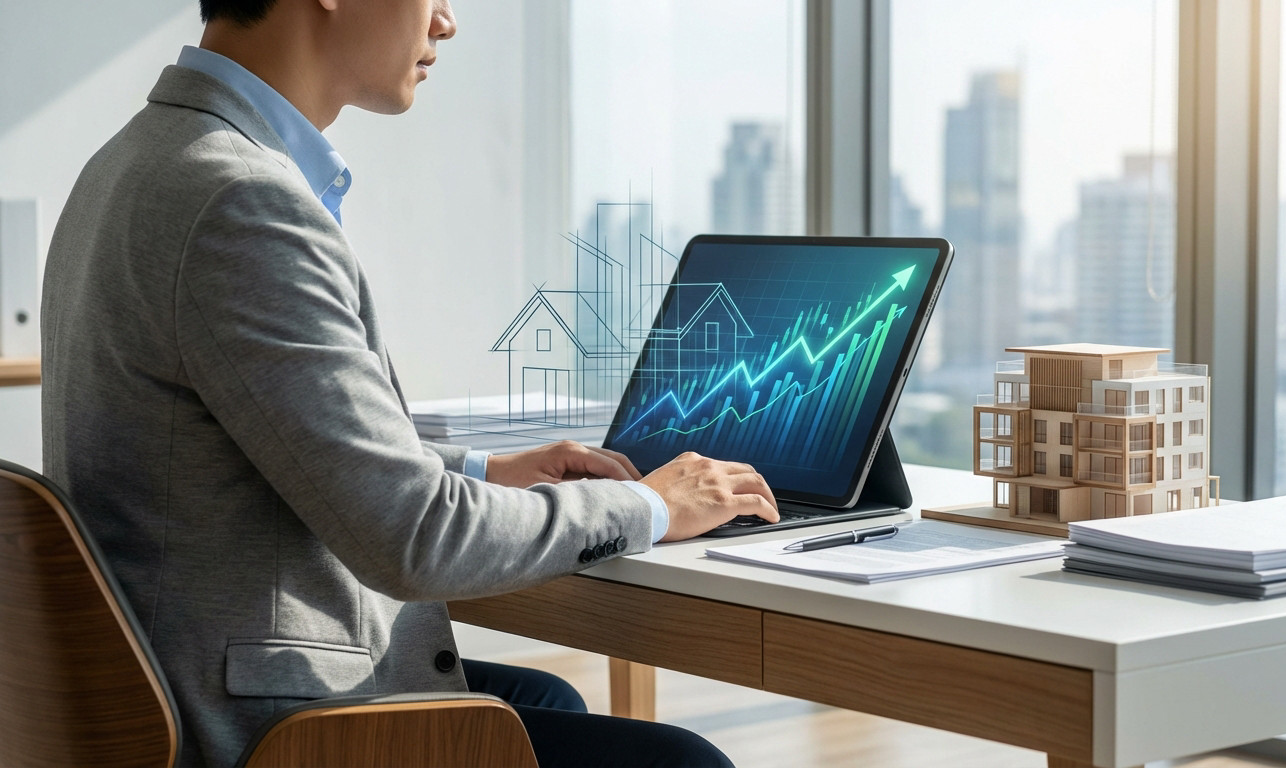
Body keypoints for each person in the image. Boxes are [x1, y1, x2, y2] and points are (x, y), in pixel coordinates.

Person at [39, 1, 779, 766]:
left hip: (158, 687)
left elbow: (268, 440)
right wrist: (652, 506)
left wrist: (486, 471)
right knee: (685, 762)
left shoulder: (138, 159)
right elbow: (416, 540)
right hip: (262, 732)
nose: (447, 22)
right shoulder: (241, 199)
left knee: (545, 701)